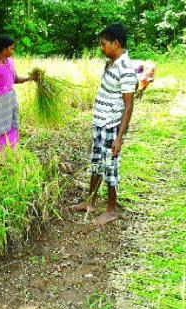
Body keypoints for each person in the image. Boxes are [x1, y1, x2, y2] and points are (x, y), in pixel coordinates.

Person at [73, 23, 138, 227]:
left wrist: (119, 138)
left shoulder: (126, 69)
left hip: (112, 125)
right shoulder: (111, 62)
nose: (101, 48)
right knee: (96, 162)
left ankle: (111, 210)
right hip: (100, 122)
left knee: (110, 167)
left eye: (103, 44)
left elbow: (128, 107)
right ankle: (90, 201)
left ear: (115, 43)